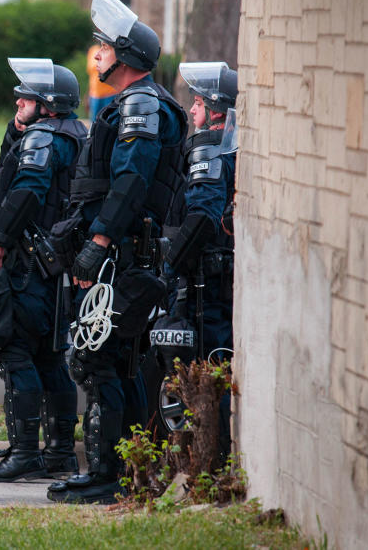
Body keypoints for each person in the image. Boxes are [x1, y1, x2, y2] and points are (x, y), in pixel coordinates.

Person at [46, 0, 188, 505]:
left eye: (104, 46)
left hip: (127, 255)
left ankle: (110, 474)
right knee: (113, 361)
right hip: (120, 253)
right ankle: (127, 470)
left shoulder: (141, 107)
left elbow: (131, 182)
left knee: (99, 361)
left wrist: (100, 240)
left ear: (126, 57)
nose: (96, 54)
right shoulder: (128, 102)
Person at [0, 58, 87, 483]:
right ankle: (59, 453)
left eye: (27, 96)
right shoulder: (74, 133)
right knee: (49, 357)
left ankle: (25, 453)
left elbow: (27, 189)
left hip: (30, 264)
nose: (18, 100)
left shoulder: (44, 136)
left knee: (16, 352)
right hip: (57, 266)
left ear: (48, 104)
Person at [164, 61, 237, 454]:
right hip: (217, 278)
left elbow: (204, 215)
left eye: (197, 103)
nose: (192, 110)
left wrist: (169, 266)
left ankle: (211, 457)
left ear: (216, 110)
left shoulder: (210, 145)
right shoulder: (225, 143)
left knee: (209, 366)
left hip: (207, 284)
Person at [86, 44, 118, 122]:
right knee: (94, 123)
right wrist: (88, 95)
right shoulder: (93, 50)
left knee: (110, 122)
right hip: (94, 96)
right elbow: (92, 75)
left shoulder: (112, 49)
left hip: (110, 94)